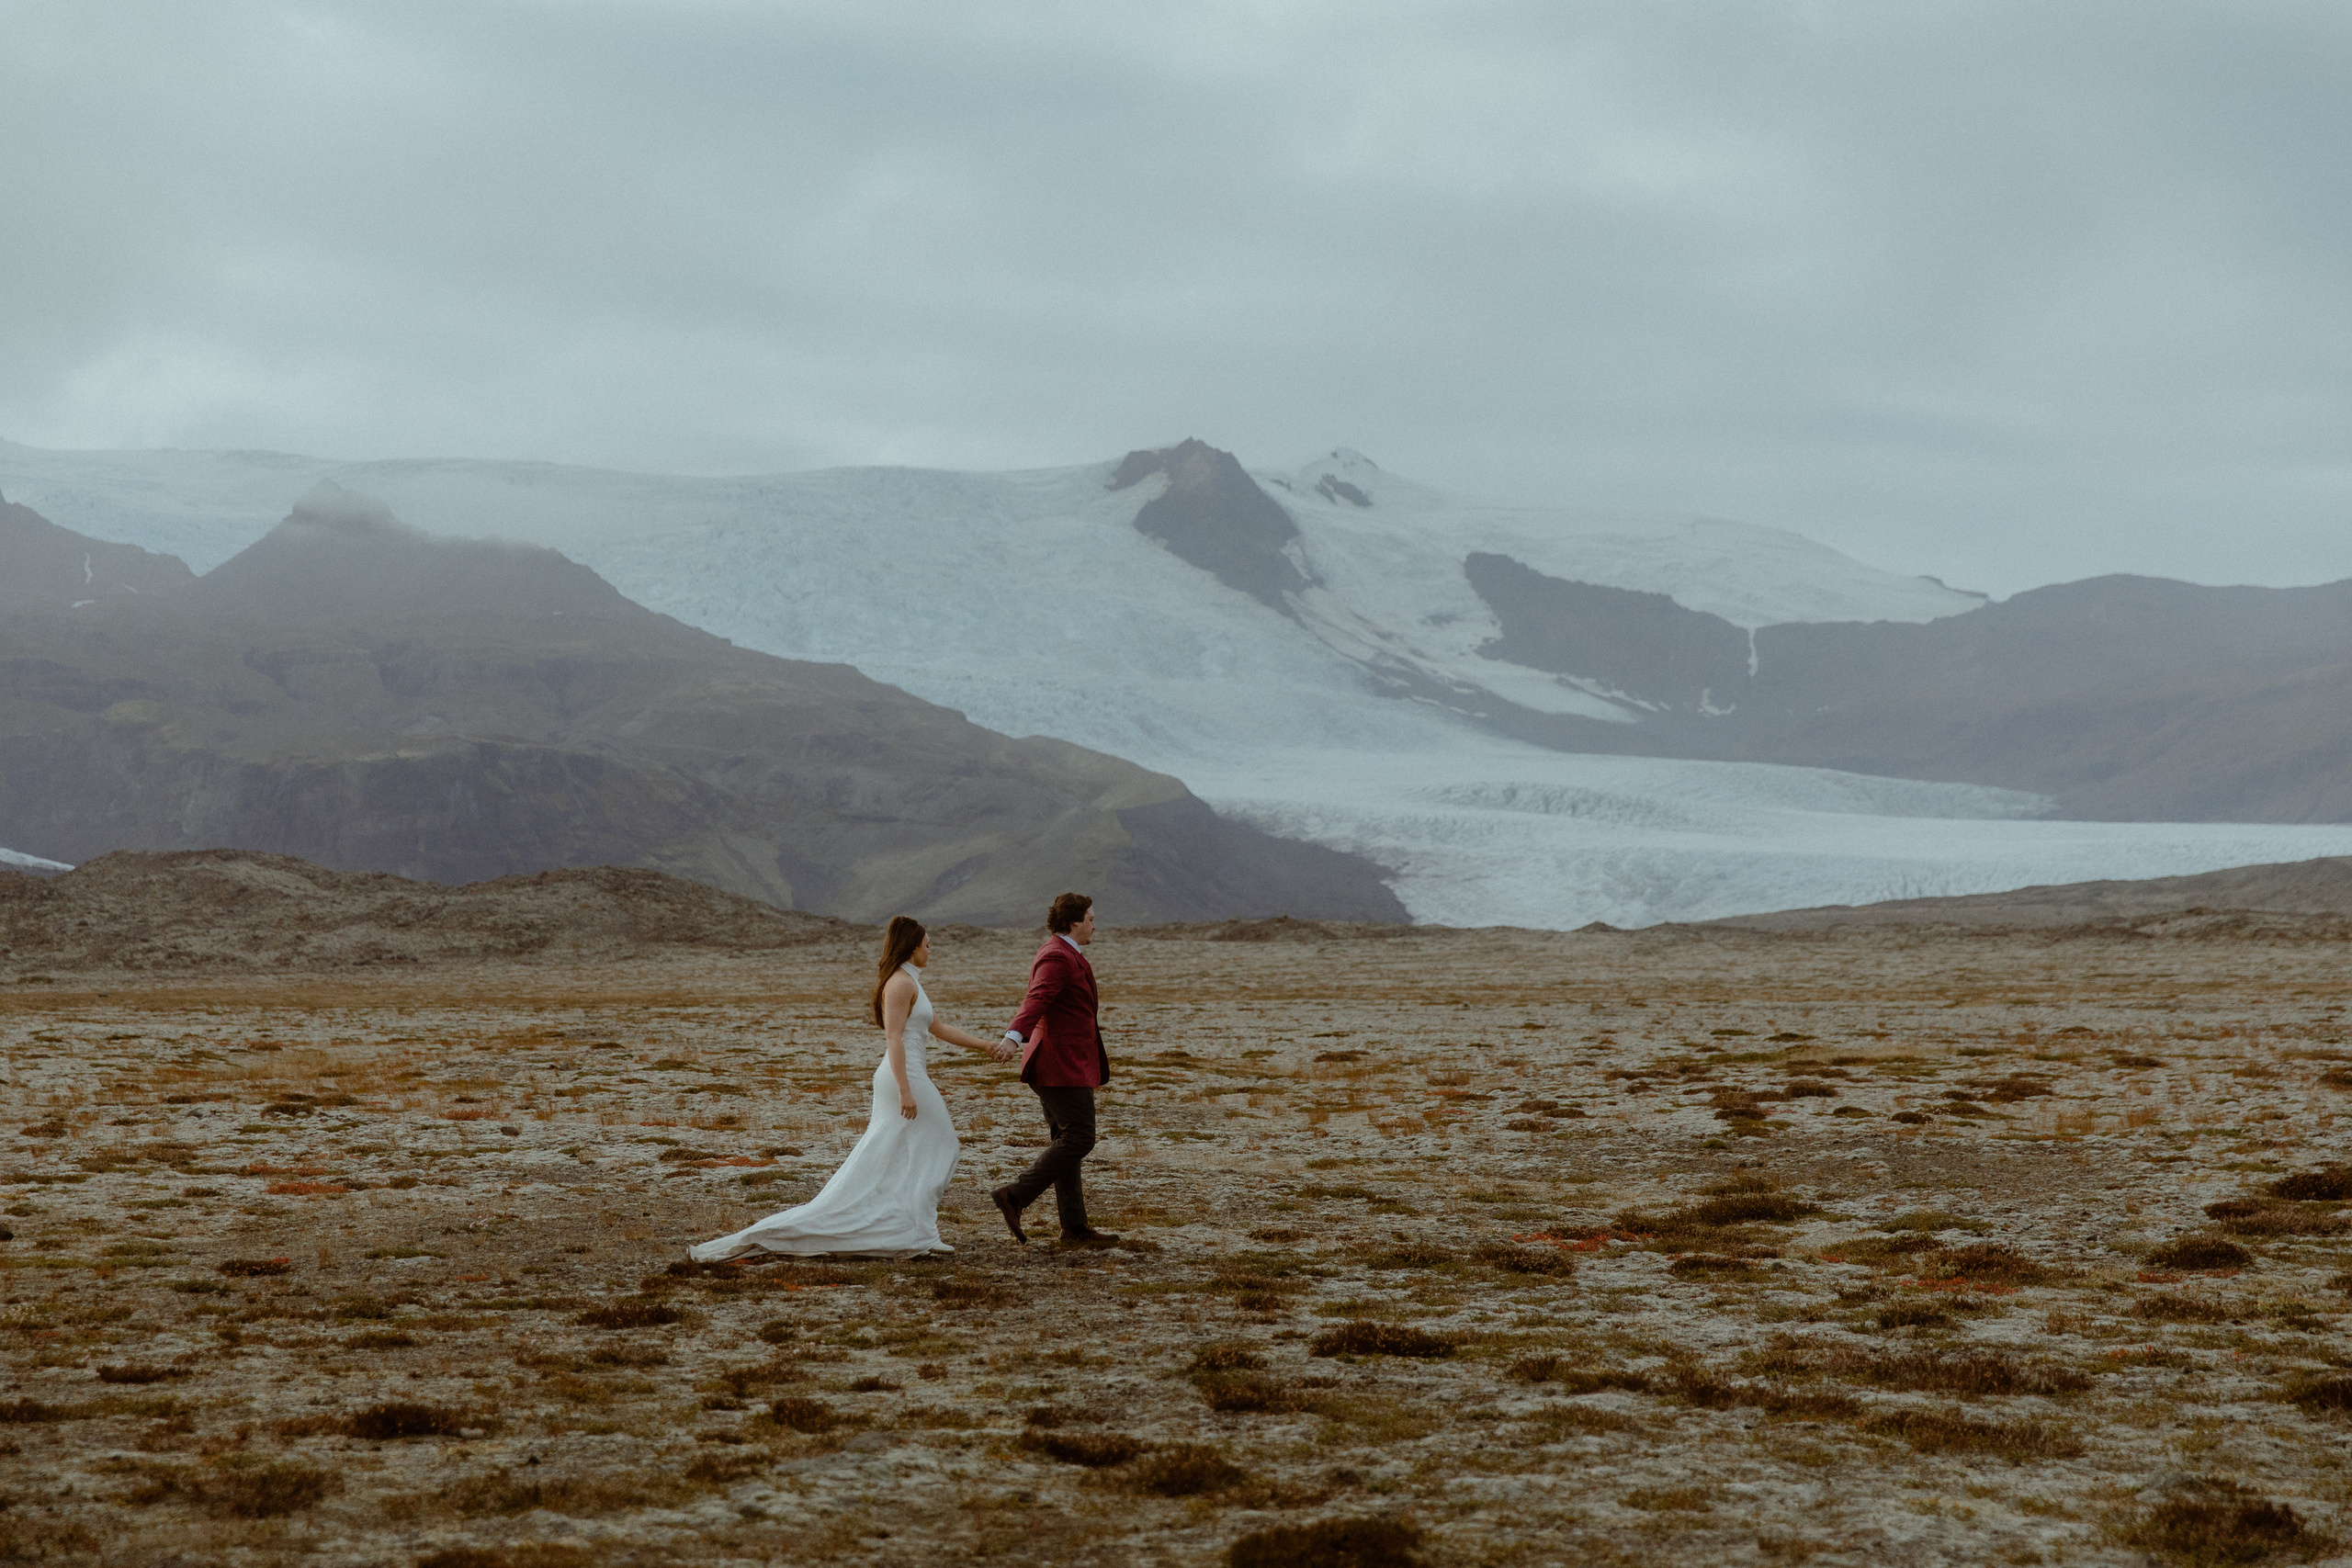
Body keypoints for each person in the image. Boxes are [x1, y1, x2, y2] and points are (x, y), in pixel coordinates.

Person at [690, 916, 1013, 1261]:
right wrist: (905, 1089)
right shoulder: (901, 984)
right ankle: (919, 1231)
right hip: (902, 1074)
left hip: (907, 1072)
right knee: (943, 1142)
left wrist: (985, 1046)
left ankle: (919, 1230)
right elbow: (894, 1038)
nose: (931, 950)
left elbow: (940, 1028)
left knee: (900, 1151)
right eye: (928, 945)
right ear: (912, 947)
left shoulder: (911, 983)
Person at [990, 891, 1120, 1248]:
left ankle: (1074, 1228)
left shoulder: (1065, 953)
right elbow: (1037, 999)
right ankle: (1014, 1196)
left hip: (1062, 1061)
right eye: (1091, 918)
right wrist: (1012, 1038)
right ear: (1074, 921)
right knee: (1080, 1136)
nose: (1095, 924)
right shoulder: (1057, 956)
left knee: (1067, 1140)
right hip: (1058, 1063)